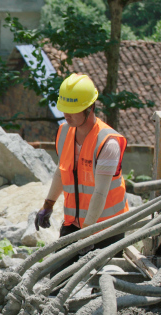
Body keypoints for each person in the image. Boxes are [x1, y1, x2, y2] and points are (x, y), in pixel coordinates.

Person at [35, 73, 129, 275]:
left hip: (107, 229)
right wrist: (48, 205)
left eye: (72, 111)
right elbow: (62, 173)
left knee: (103, 286)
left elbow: (100, 192)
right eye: (64, 110)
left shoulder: (107, 143)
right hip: (74, 224)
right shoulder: (64, 133)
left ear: (90, 108)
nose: (66, 115)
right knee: (56, 281)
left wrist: (88, 234)